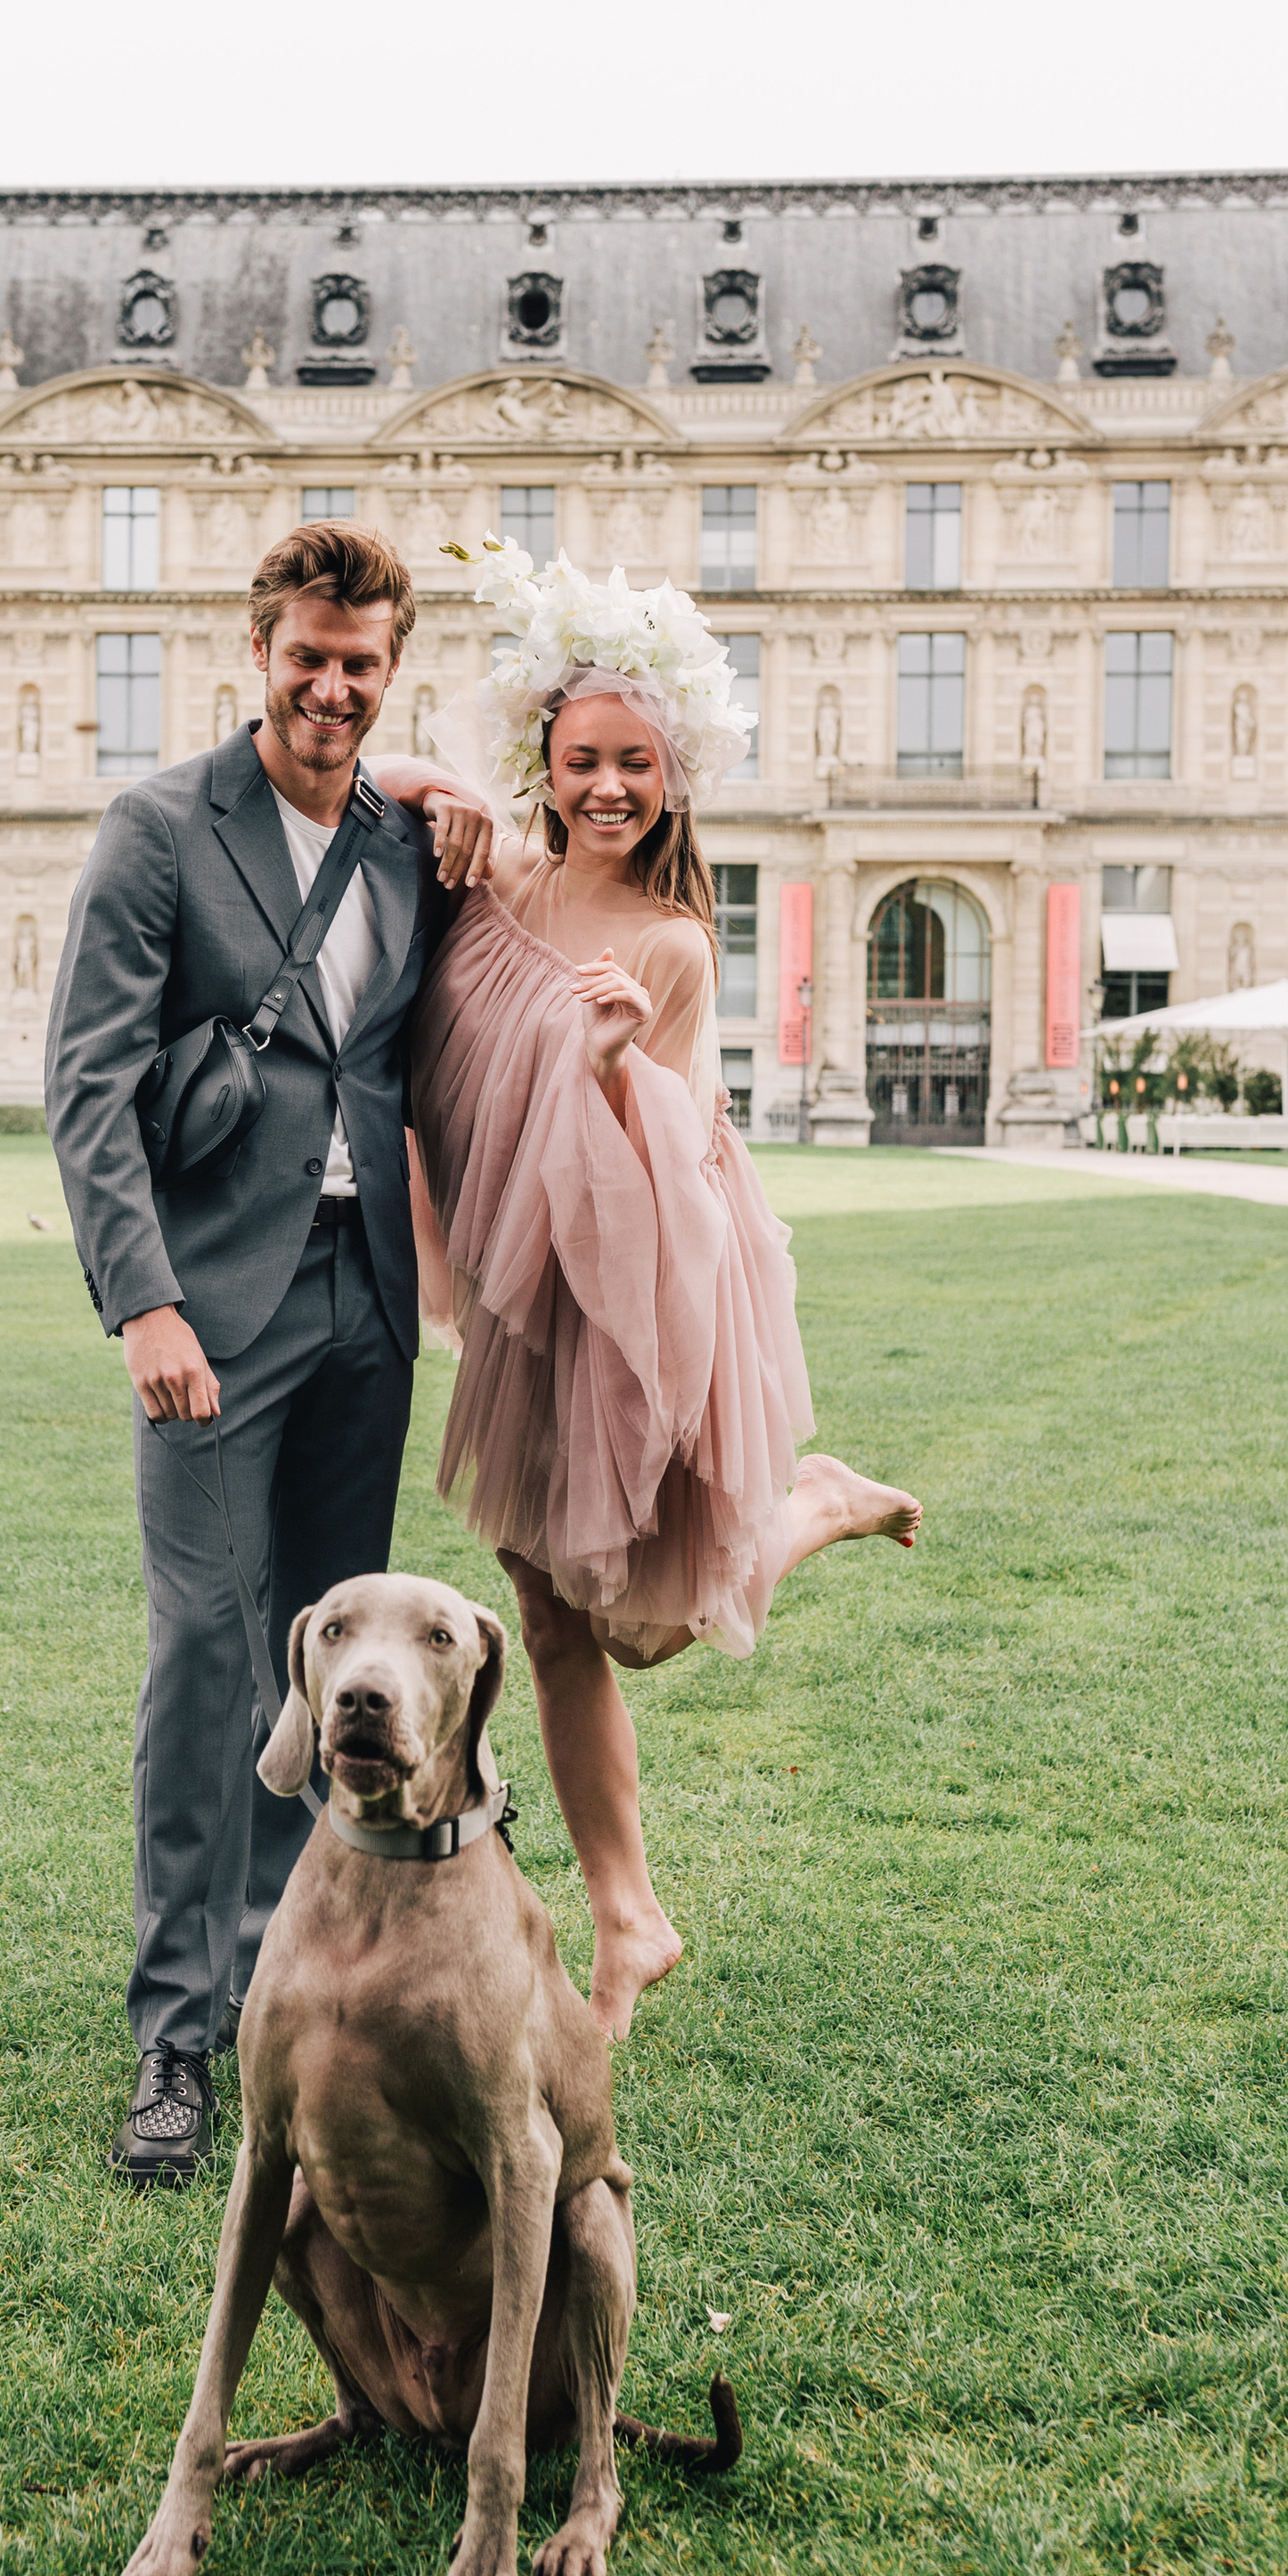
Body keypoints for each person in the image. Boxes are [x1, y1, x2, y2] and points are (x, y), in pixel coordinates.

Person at [370, 543, 922, 2037]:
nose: (608, 784)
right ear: (542, 762)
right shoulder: (495, 882)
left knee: (646, 1625)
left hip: (638, 1281)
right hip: (514, 1285)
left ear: (674, 777)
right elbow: (381, 782)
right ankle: (630, 1913)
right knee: (545, 1619)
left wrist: (616, 1064)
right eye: (582, 758)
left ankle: (812, 1500)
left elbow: (672, 1167)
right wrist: (451, 792)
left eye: (636, 764)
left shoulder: (674, 946)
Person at [45, 523, 442, 2184]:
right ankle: (174, 2041)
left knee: (334, 1671)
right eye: (307, 658)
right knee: (212, 1653)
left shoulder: (409, 844)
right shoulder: (157, 832)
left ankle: (299, 1987)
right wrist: (142, 1303)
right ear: (258, 652)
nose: (332, 688)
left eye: (361, 665)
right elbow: (87, 1083)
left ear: (387, 672)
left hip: (366, 1298)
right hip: (212, 1307)